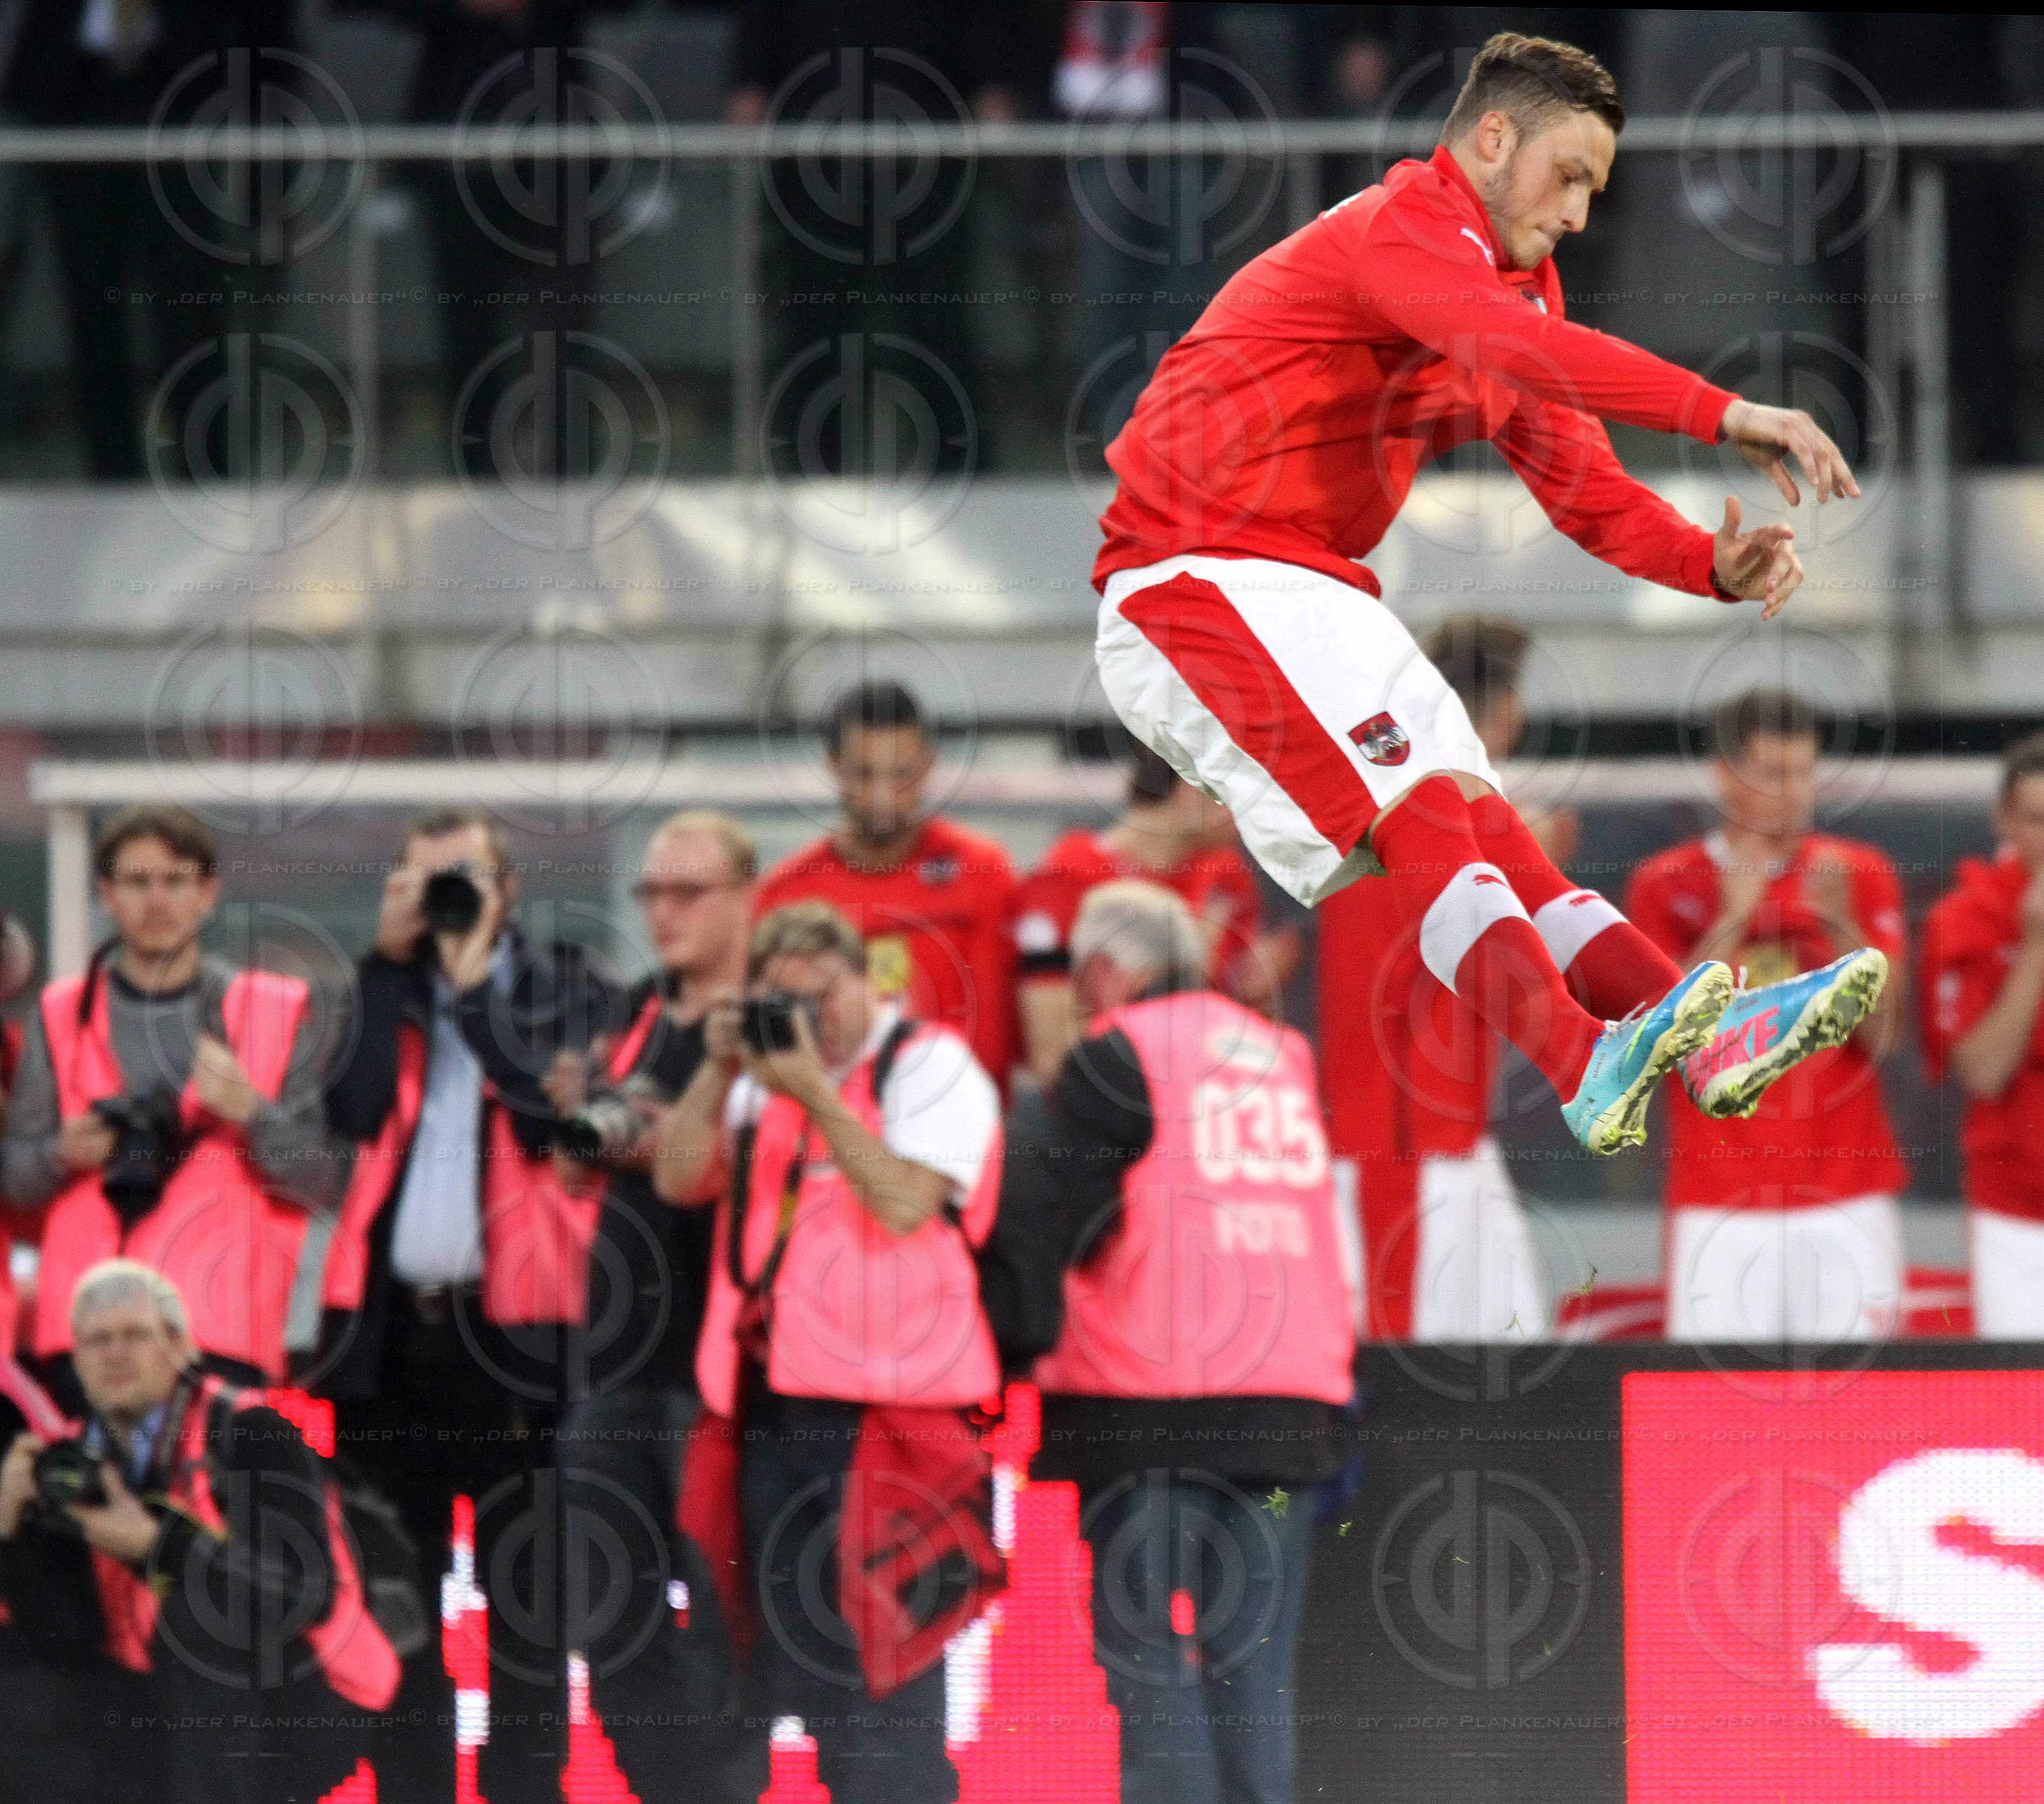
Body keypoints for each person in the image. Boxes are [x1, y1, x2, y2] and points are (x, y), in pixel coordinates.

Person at [1086, 30, 1886, 1161]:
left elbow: (1589, 494)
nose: (1577, 212)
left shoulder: (1519, 290)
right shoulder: (1403, 228)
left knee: (1484, 824)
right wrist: (1727, 413)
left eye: (1596, 192)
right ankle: (1577, 1059)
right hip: (1189, 576)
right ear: (1493, 137)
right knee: (1423, 818)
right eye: (1569, 176)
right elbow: (1518, 352)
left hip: (1308, 584)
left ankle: (1704, 1039)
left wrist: (1709, 564)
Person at [653, 900, 1004, 1804]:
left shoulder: (929, 1067)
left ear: (866, 979)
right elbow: (677, 1174)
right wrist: (720, 1065)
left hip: (894, 1425)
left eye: (824, 996)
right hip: (770, 1411)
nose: (813, 1019)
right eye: (787, 1001)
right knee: (769, 1659)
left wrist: (813, 1089)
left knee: (887, 1666)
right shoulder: (757, 1080)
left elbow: (902, 1203)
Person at [318, 806, 623, 1804]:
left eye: (465, 881)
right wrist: (380, 964)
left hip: (519, 1349)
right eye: (425, 882)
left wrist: (474, 983)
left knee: (528, 1605)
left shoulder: (570, 993)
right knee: (396, 1600)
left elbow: (549, 1121)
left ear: (509, 893)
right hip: (393, 1341)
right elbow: (348, 1116)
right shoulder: (380, 994)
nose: (447, 902)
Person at [1026, 880, 1355, 1804]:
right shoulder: (1283, 1053)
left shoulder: (1114, 1053)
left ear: (1101, 969)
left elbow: (1071, 1223)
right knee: (1252, 1675)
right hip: (1289, 1406)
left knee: (1149, 1664)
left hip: (1148, 1407)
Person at [543, 811, 760, 1802]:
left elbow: (715, 1167)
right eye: (652, 893)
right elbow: (572, 1167)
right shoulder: (631, 1013)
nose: (664, 913)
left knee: (720, 1624)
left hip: (718, 1373)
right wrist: (588, 1124)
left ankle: (719, 1788)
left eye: (689, 892)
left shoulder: (766, 1022)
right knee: (609, 1617)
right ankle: (664, 1789)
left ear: (745, 894)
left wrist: (669, 1138)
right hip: (614, 1359)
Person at [0, 1260, 394, 1804]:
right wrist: (9, 1532)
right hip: (154, 1696)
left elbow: (305, 1596)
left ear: (182, 1347)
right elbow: (64, 1634)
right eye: (96, 1341)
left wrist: (159, 1547)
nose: (115, 1353)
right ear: (79, 1365)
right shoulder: (69, 1461)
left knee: (198, 1622)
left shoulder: (252, 1430)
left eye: (135, 1335)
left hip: (304, 1695)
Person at [1, 805, 340, 1415]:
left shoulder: (270, 1011)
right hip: (88, 1334)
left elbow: (320, 1178)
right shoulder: (59, 1015)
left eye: (175, 881)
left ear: (208, 893)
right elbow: (16, 1181)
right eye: (136, 882)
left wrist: (250, 1110)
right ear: (106, 892)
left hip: (220, 1331)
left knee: (210, 1510)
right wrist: (61, 1153)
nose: (157, 901)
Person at [1626, 690, 1910, 1341]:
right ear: (1726, 776)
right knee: (1714, 1410)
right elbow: (1664, 1045)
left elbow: (1885, 1037)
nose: (1796, 794)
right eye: (1775, 775)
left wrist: (1841, 927)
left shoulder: (1858, 874)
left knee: (1862, 1410)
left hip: (1848, 1193)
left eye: (1806, 773)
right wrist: (1732, 916)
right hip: (1720, 1198)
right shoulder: (1664, 883)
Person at [1319, 616, 1570, 1339]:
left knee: (1506, 1354)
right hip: (1397, 1151)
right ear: (1498, 717)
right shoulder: (1412, 818)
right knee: (1403, 1382)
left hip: (1453, 1138)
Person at [755, 680, 1019, 1087]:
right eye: (865, 774)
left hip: (959, 1126)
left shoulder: (982, 872)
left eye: (902, 775)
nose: (883, 796)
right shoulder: (785, 894)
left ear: (928, 767)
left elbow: (997, 1034)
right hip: (828, 1130)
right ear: (832, 766)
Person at [1013, 741, 1292, 1087]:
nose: (1251, 817)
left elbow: (1240, 1041)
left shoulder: (1226, 878)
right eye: (1241, 797)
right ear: (1193, 788)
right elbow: (1052, 1055)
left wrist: (1251, 994)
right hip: (1113, 1108)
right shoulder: (1066, 877)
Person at [1920, 733, 2044, 1337]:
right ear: (2004, 821)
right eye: (2039, 820)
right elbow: (1983, 1071)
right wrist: (2038, 945)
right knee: (2026, 1402)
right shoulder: (1965, 917)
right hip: (2016, 1211)